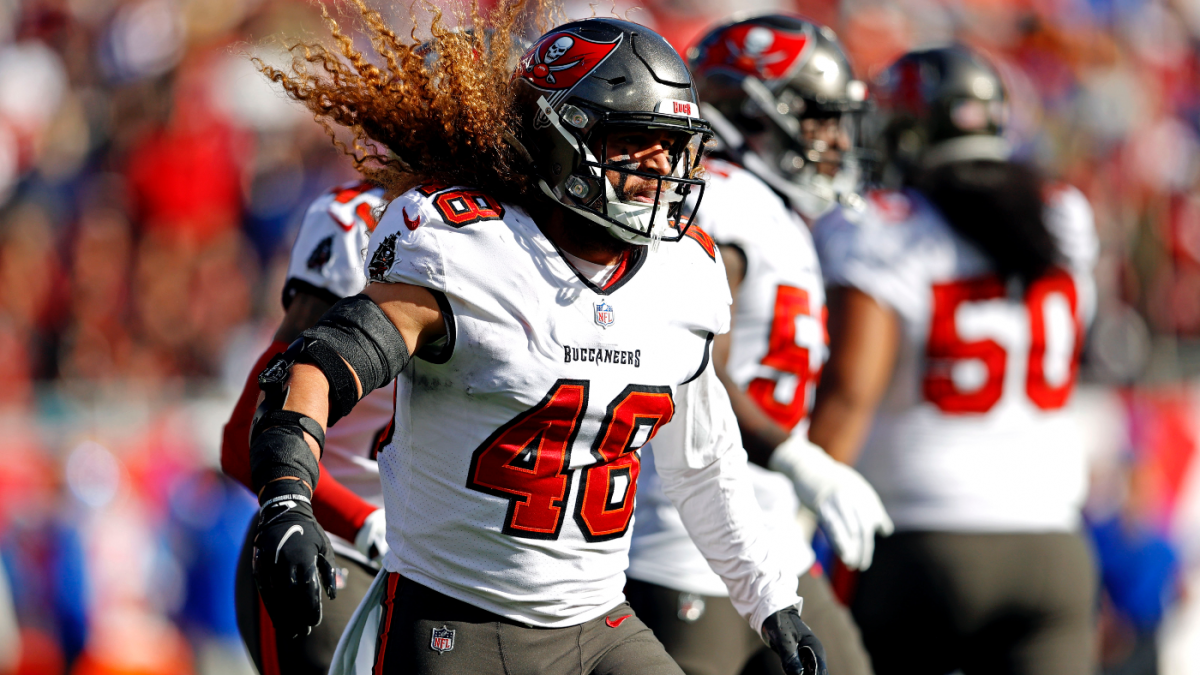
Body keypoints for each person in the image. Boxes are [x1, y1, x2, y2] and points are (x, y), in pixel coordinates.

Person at [248, 9, 830, 675]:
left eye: (672, 146)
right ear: (562, 138)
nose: (660, 167)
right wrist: (288, 496)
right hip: (455, 619)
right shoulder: (468, 251)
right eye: (637, 140)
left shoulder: (682, 276)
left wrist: (771, 600)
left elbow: (704, 464)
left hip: (600, 623)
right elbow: (316, 366)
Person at [809, 45, 1099, 675]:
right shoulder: (1065, 212)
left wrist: (793, 521)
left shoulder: (883, 225)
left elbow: (850, 393)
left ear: (908, 129)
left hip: (922, 539)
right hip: (1054, 541)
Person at [625, 15, 887, 675]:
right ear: (750, 112)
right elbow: (696, 368)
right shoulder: (722, 200)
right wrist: (799, 458)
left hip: (777, 547)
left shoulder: (775, 211)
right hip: (689, 547)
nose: (833, 139)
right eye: (818, 116)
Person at [220, 180, 393, 674]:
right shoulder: (356, 217)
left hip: (413, 555)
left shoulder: (482, 226)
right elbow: (241, 443)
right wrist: (362, 521)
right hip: (324, 543)